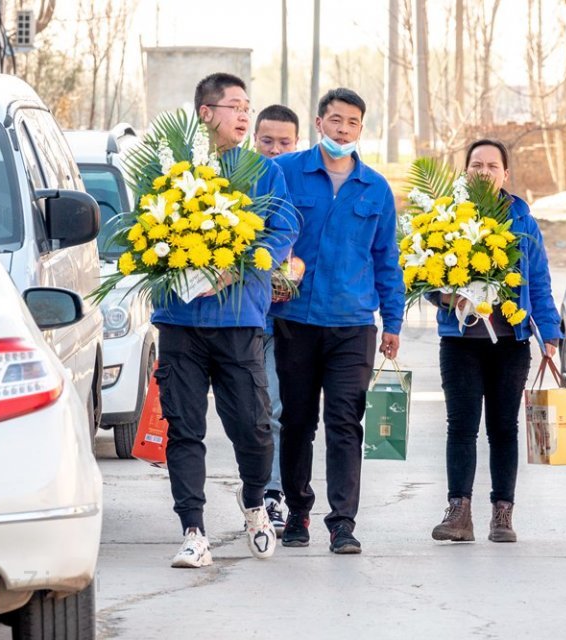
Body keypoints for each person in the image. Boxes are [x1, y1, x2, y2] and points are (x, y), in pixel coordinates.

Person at [153, 73, 297, 569]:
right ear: (205, 112)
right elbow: (146, 228)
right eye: (234, 105)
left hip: (239, 322)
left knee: (255, 428)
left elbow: (285, 225)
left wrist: (240, 263)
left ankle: (254, 501)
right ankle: (193, 531)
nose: (243, 114)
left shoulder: (262, 171)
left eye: (246, 106)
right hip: (180, 320)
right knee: (184, 428)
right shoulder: (170, 166)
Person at [271, 88, 405, 554]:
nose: (342, 128)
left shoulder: (376, 188)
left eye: (351, 122)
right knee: (298, 421)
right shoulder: (286, 172)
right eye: (335, 120)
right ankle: (297, 512)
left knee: (345, 421)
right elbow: (262, 232)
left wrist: (393, 321)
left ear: (361, 129)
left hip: (353, 323)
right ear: (318, 122)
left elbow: (387, 257)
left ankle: (342, 522)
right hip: (295, 320)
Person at [430, 139, 562, 544]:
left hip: (511, 342)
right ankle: (459, 512)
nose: (484, 171)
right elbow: (426, 272)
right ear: (464, 172)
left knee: (503, 427)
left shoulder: (523, 219)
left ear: (506, 174)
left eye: (492, 165)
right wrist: (445, 295)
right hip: (460, 340)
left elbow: (538, 280)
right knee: (461, 427)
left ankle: (502, 514)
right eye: (476, 164)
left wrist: (550, 332)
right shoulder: (446, 216)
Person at [252, 104, 300, 536]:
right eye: (267, 141)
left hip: (283, 322)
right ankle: (254, 491)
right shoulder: (239, 181)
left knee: (275, 410)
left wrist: (295, 272)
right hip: (238, 319)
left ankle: (271, 494)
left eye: (284, 143)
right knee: (249, 413)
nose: (275, 150)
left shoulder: (301, 181)